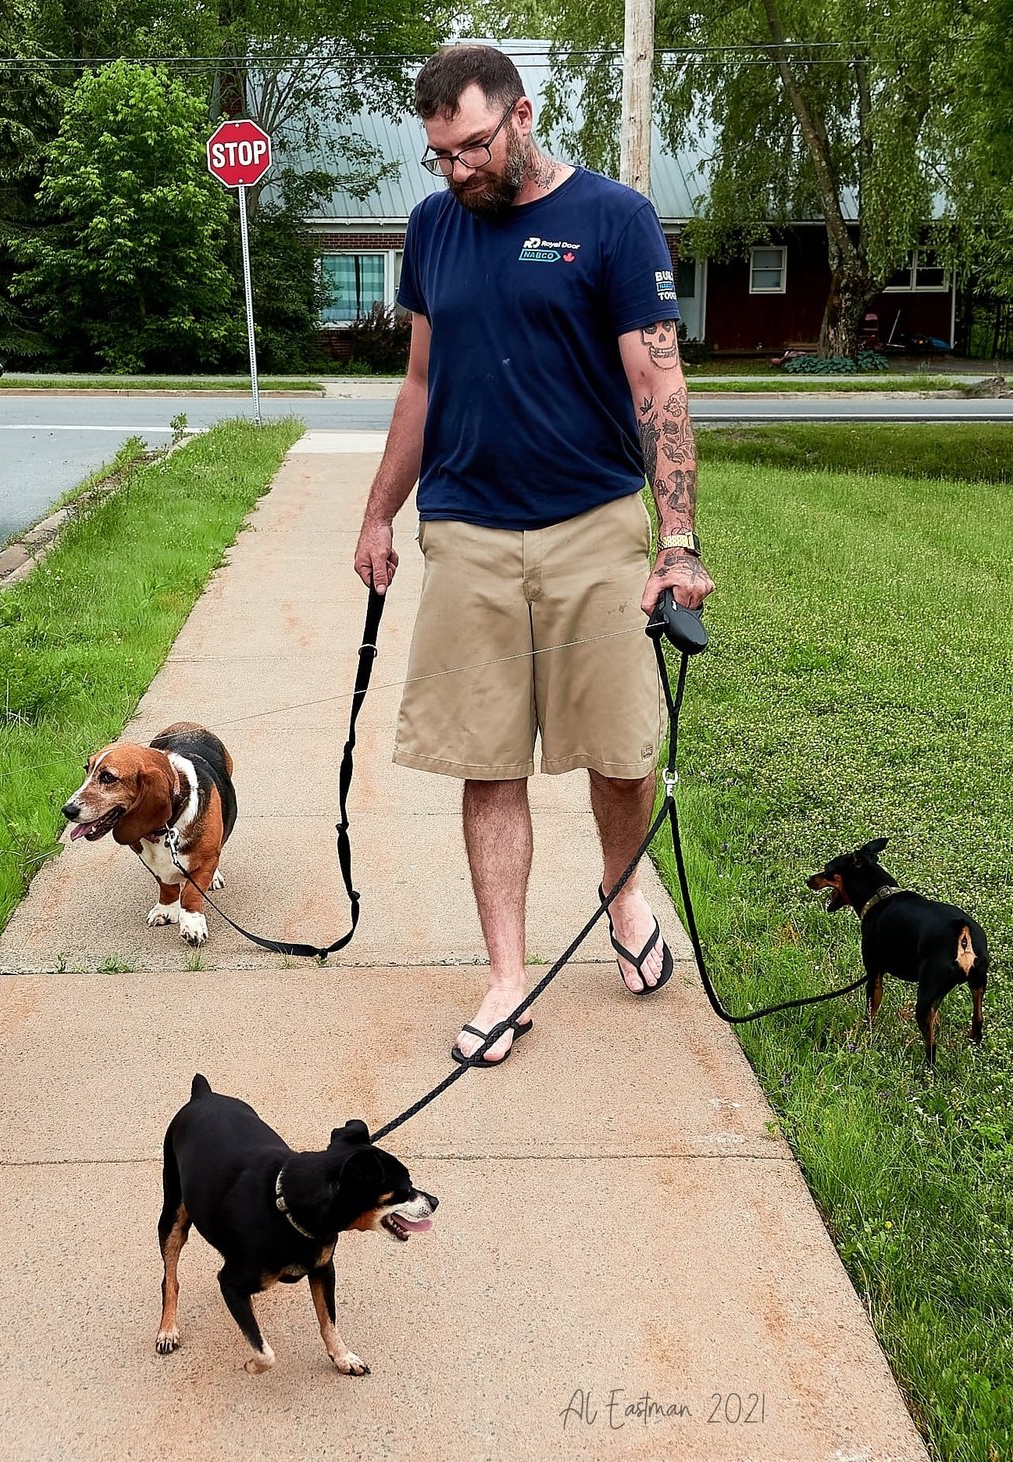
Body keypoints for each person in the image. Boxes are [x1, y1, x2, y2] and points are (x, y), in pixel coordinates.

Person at [352, 44, 715, 1065]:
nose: (459, 170)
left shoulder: (610, 219)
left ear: (520, 115)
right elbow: (421, 384)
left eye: (472, 146)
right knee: (486, 757)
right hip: (467, 526)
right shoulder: (434, 227)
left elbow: (660, 390)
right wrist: (380, 512)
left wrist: (676, 539)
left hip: (591, 522)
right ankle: (507, 976)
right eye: (441, 155)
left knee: (618, 747)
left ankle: (620, 889)